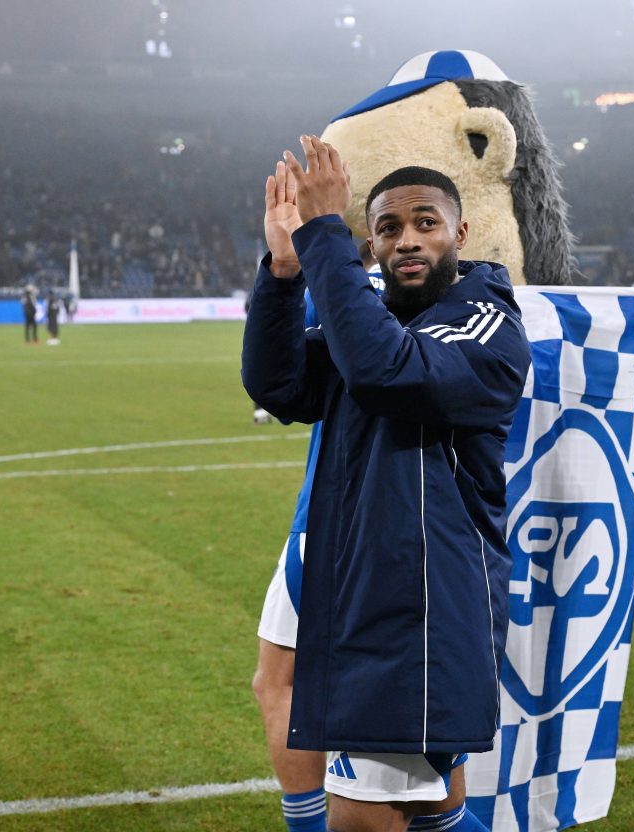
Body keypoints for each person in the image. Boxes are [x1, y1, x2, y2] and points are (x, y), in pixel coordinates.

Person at [243, 137, 529, 832]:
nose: (407, 239)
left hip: (420, 605)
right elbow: (278, 384)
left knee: (364, 818)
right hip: (363, 581)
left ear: (460, 234)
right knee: (433, 807)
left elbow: (387, 371)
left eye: (425, 222)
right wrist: (284, 272)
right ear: (369, 244)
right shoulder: (369, 324)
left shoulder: (485, 321)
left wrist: (319, 238)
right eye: (388, 226)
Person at [251, 245, 384, 832]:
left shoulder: (357, 293)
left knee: (283, 682)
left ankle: (308, 825)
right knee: (276, 681)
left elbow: (284, 386)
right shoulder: (467, 297)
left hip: (344, 520)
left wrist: (296, 269)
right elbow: (280, 387)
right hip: (342, 521)